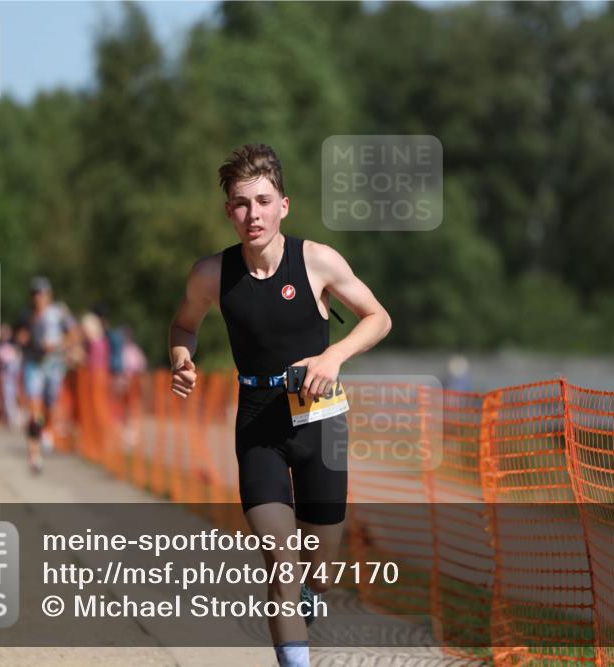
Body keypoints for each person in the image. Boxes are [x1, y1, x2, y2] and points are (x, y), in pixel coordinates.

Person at [168, 144, 392, 667]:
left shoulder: (316, 261)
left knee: (317, 571)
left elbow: (377, 317)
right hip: (259, 424)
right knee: (280, 565)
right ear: (229, 211)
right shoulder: (211, 274)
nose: (253, 215)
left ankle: (308, 601)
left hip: (322, 424)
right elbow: (183, 325)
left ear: (283, 206)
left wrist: (333, 356)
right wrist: (183, 358)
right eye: (242, 204)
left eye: (263, 201)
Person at [17, 277, 77, 473]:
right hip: (33, 364)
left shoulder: (60, 313)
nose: (38, 298)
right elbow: (20, 336)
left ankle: (46, 430)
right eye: (35, 294)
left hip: (54, 366)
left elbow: (74, 335)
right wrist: (22, 339)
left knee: (50, 406)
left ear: (49, 295)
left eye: (41, 293)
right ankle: (35, 457)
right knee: (34, 410)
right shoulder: (27, 315)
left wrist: (58, 346)